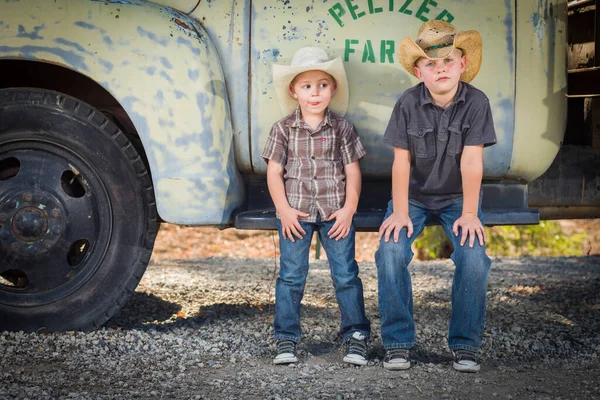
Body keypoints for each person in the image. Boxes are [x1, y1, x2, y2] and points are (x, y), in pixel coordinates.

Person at [375, 20, 497, 373]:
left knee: (473, 257)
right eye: (431, 63)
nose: (440, 68)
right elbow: (401, 163)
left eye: (448, 60)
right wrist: (398, 212)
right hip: (412, 196)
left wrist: (471, 213)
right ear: (419, 70)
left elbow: (473, 160)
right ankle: (398, 343)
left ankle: (465, 345)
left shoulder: (476, 102)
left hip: (459, 198)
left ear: (462, 64)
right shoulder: (408, 103)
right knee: (390, 250)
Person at [262, 47, 371, 366]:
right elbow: (274, 172)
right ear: (294, 90)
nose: (315, 92)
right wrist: (282, 209)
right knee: (291, 276)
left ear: (333, 89)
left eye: (322, 84)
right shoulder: (282, 129)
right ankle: (286, 338)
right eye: (307, 86)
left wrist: (350, 209)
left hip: (335, 213)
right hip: (295, 214)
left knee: (346, 274)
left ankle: (355, 335)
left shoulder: (343, 129)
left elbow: (352, 171)